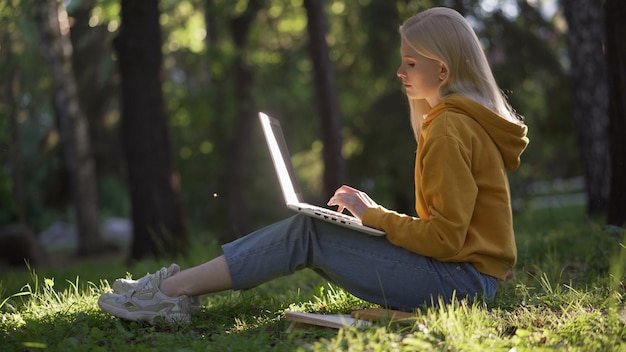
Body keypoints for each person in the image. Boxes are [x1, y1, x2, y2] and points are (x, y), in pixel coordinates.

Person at [98, 7, 529, 324]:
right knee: (316, 229)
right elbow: (449, 232)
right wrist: (372, 220)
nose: (400, 71)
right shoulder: (456, 122)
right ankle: (175, 290)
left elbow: (446, 238)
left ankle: (169, 293)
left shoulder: (450, 128)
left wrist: (373, 216)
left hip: (462, 285)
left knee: (309, 231)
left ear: (442, 69)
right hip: (469, 280)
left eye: (411, 63)